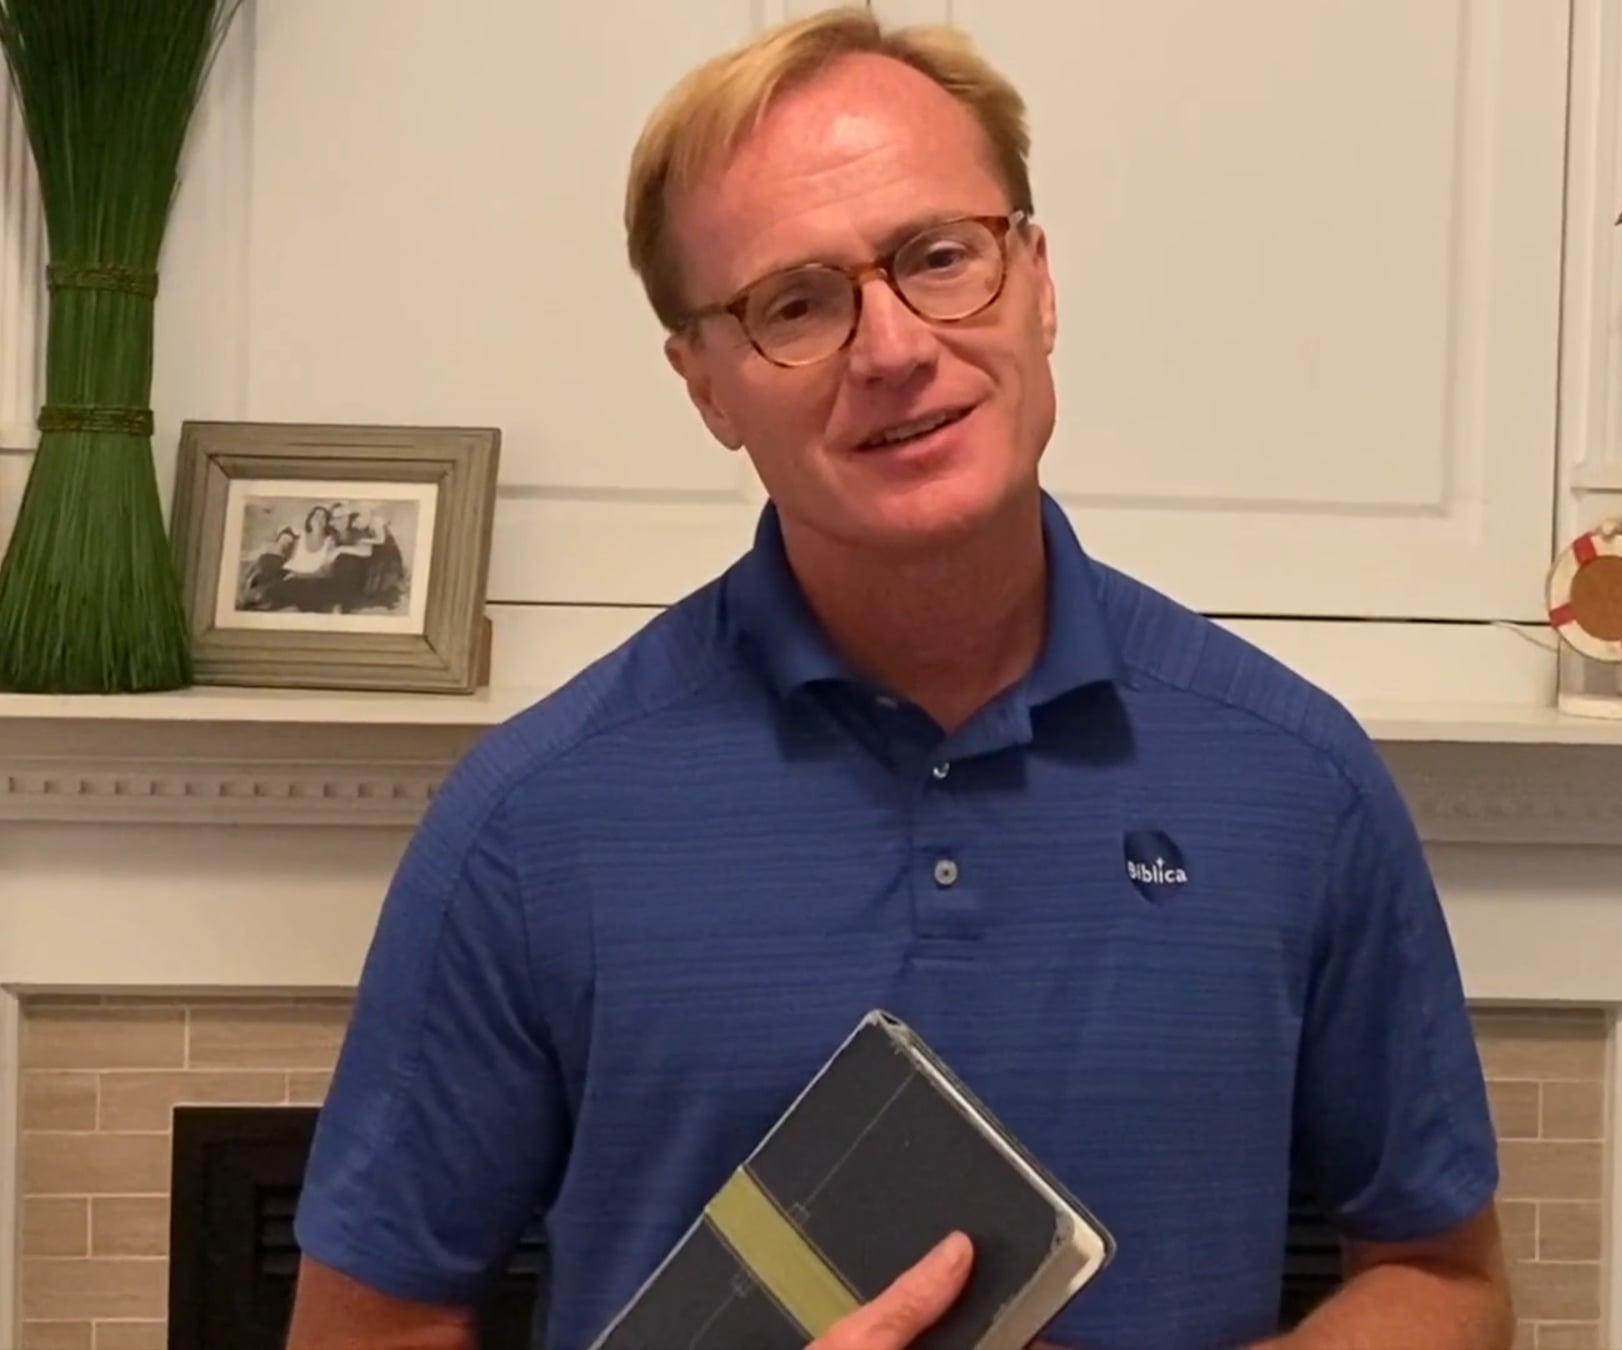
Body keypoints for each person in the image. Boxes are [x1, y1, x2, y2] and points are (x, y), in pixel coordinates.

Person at [283, 8, 1510, 1350]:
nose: (894, 348)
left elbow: (1449, 1280)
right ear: (706, 386)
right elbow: (365, 1332)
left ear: (1038, 280)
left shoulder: (1297, 779)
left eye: (940, 257)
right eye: (795, 305)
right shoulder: (527, 827)